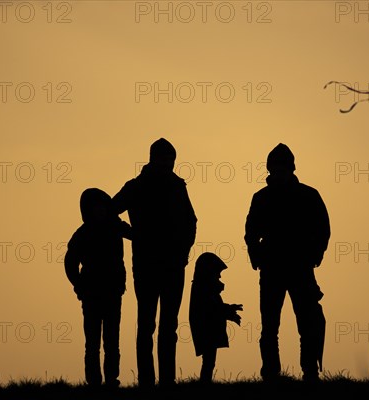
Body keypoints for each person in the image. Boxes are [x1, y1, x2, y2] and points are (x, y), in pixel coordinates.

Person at [112, 138, 197, 388]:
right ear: (155, 159)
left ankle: (163, 381)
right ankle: (152, 382)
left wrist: (183, 251)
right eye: (165, 159)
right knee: (151, 324)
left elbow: (191, 221)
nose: (167, 164)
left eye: (170, 160)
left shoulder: (174, 186)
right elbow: (109, 211)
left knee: (162, 325)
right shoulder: (138, 187)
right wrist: (129, 232)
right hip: (153, 265)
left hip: (167, 264)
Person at [244, 143, 331, 382]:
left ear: (291, 168)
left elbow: (322, 229)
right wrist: (257, 256)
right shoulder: (261, 198)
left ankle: (310, 372)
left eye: (283, 166)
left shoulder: (308, 195)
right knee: (270, 326)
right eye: (276, 167)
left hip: (300, 268)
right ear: (270, 168)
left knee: (307, 323)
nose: (279, 171)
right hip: (272, 268)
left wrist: (315, 254)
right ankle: (271, 374)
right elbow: (251, 231)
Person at [64, 187, 132, 387]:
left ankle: (112, 379)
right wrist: (78, 285)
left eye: (103, 207)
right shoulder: (82, 234)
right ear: (87, 210)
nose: (100, 211)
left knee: (112, 341)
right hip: (91, 294)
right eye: (96, 208)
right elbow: (70, 262)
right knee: (92, 343)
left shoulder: (115, 227)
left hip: (113, 292)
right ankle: (93, 381)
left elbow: (137, 235)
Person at [189, 252, 243, 383]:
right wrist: (229, 311)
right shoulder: (204, 290)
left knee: (209, 360)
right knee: (209, 360)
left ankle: (205, 382)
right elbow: (212, 309)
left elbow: (215, 307)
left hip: (207, 329)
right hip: (206, 330)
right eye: (216, 272)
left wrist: (229, 310)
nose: (219, 276)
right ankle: (205, 383)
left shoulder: (205, 289)